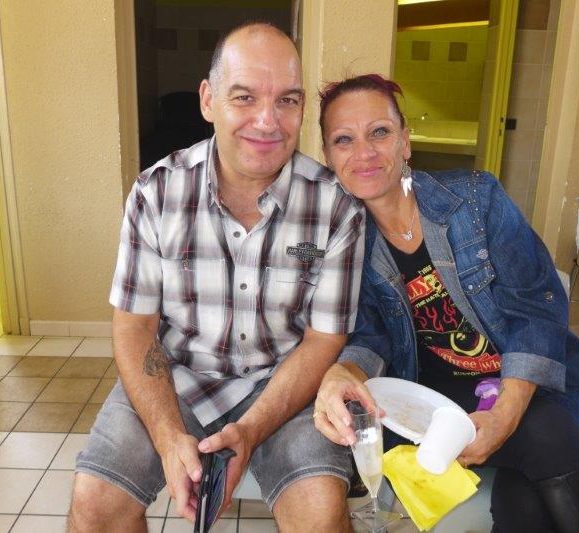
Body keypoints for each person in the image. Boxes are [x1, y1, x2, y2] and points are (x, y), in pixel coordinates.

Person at [67, 23, 365, 532]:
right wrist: (167, 438)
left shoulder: (336, 206)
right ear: (208, 100)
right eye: (244, 97)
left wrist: (250, 430)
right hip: (176, 374)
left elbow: (323, 339)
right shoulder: (156, 194)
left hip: (285, 384)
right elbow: (135, 327)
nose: (267, 121)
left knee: (320, 511)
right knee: (94, 504)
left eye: (287, 100)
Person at [312, 74, 579, 533]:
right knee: (545, 444)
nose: (364, 152)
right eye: (344, 139)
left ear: (405, 141)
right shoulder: (346, 237)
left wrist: (505, 415)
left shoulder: (475, 201)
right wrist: (344, 371)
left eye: (379, 132)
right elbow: (371, 335)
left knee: (530, 486)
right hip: (436, 399)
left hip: (529, 384)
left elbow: (537, 307)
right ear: (329, 157)